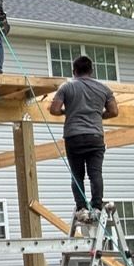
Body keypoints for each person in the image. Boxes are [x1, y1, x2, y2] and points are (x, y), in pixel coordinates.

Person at [50, 55, 120, 217]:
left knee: (77, 175)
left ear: (74, 71)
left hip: (73, 136)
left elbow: (54, 110)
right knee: (95, 173)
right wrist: (99, 115)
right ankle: (96, 207)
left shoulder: (66, 87)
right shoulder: (104, 89)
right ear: (91, 71)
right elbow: (114, 111)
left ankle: (81, 209)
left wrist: (66, 111)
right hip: (95, 136)